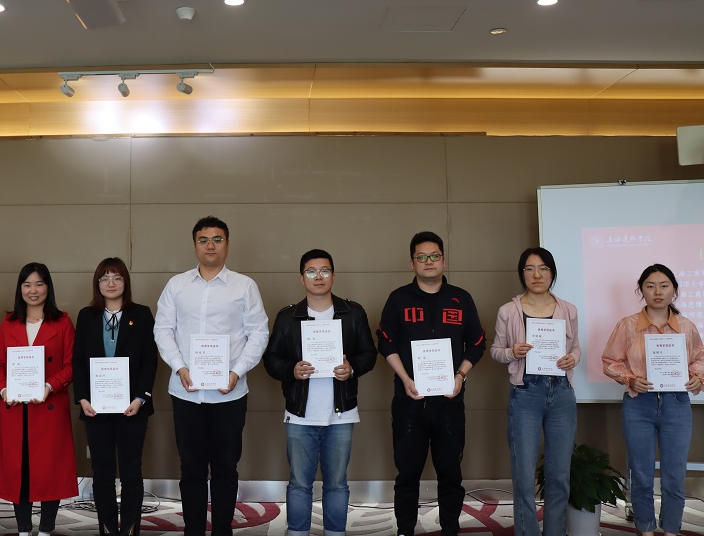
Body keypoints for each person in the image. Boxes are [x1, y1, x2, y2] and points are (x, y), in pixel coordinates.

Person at [153, 216, 269, 536]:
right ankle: (193, 530)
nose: (210, 245)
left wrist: (236, 372)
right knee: (191, 468)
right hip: (186, 392)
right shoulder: (177, 285)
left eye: (217, 239)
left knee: (225, 468)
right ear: (195, 245)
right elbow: (163, 330)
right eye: (203, 240)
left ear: (227, 244)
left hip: (229, 392)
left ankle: (221, 530)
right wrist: (180, 367)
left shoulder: (244, 286)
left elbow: (258, 333)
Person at [377, 231, 486, 536]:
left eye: (434, 256)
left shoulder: (461, 299)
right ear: (412, 263)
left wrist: (460, 376)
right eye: (422, 257)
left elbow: (477, 343)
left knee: (451, 473)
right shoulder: (398, 299)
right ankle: (405, 530)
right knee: (407, 475)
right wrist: (405, 378)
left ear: (443, 260)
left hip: (449, 403)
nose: (429, 262)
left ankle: (450, 529)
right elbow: (385, 341)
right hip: (409, 401)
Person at [262, 249, 377, 536]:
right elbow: (271, 359)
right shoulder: (288, 317)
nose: (318, 277)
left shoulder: (353, 313)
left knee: (337, 483)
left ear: (333, 276)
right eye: (311, 271)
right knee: (299, 483)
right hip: (300, 413)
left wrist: (352, 368)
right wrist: (291, 369)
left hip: (341, 413)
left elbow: (369, 354)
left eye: (324, 271)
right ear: (301, 278)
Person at [602, 264, 704, 536]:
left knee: (674, 475)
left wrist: (696, 377)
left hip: (676, 404)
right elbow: (610, 361)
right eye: (650, 286)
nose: (657, 292)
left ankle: (671, 530)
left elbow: (700, 359)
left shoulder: (686, 327)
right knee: (641, 474)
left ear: (674, 290)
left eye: (664, 286)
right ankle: (646, 530)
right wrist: (629, 379)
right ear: (641, 290)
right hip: (639, 405)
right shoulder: (627, 325)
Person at [490, 248, 580, 536]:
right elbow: (496, 350)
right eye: (529, 269)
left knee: (559, 475)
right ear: (522, 274)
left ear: (552, 272)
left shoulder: (568, 309)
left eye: (543, 268)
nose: (537, 275)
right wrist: (512, 352)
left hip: (561, 393)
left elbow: (576, 348)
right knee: (524, 475)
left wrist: (573, 359)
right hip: (526, 393)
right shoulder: (508, 311)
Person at [0, 262, 78, 536]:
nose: (33, 290)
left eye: (39, 284)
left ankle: (46, 529)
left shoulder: (62, 322)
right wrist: (3, 389)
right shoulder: (9, 322)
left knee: (50, 470)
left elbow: (71, 364)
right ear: (20, 289)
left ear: (48, 287)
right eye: (27, 284)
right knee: (19, 470)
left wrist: (50, 385)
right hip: (15, 408)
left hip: (48, 407)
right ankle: (23, 529)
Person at [74, 258, 158, 536]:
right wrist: (82, 398)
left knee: (132, 471)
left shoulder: (142, 314)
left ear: (125, 282)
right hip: (95, 409)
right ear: (97, 283)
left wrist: (140, 398)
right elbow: (78, 360)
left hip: (132, 408)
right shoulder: (86, 316)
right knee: (102, 472)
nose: (111, 283)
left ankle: (131, 527)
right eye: (105, 278)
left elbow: (150, 360)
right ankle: (108, 527)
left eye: (117, 277)